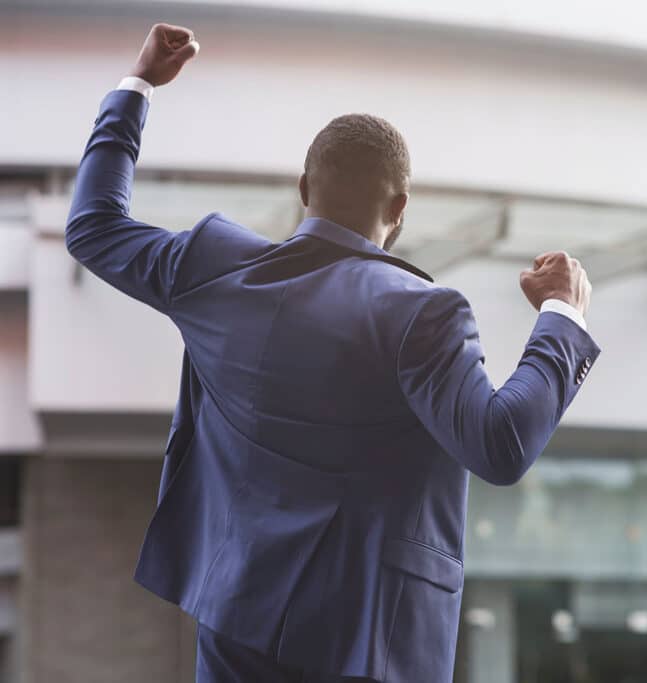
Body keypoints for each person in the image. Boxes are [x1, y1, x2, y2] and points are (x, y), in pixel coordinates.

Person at [65, 23, 600, 683]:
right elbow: (502, 443)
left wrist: (138, 84)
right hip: (369, 638)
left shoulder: (212, 267)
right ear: (398, 209)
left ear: (303, 189)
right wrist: (562, 312)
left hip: (236, 614)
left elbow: (93, 225)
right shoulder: (421, 313)